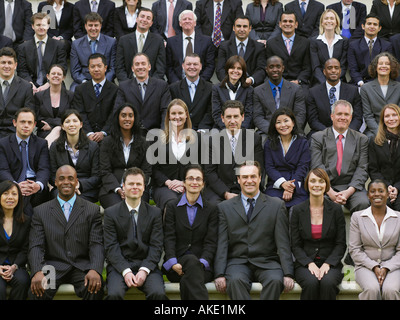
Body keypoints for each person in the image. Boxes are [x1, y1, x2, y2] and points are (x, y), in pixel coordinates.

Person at [214, 161, 294, 300]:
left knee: (275, 281)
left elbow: (283, 242)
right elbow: (222, 243)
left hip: (267, 262)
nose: (249, 181)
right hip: (237, 262)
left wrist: (288, 274)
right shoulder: (224, 207)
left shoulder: (276, 205)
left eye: (253, 176)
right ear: (238, 180)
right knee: (235, 281)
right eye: (244, 177)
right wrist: (219, 274)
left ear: (259, 178)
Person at [29, 165, 104, 300]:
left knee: (94, 287)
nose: (66, 182)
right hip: (53, 268)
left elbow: (96, 243)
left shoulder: (91, 210)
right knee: (38, 290)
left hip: (81, 266)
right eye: (61, 179)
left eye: (70, 178)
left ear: (76, 182)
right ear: (56, 182)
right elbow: (36, 245)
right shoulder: (41, 211)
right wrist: (37, 270)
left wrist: (95, 269)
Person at [103, 167, 168, 300]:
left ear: (144, 187)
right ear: (123, 186)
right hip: (119, 266)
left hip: (147, 265)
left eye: (138, 184)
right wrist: (125, 271)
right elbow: (111, 247)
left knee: (158, 294)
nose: (135, 187)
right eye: (131, 184)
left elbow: (156, 246)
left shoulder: (155, 213)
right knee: (114, 294)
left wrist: (144, 270)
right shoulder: (110, 213)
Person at [162, 164, 217, 300]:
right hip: (176, 267)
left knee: (191, 272)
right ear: (184, 182)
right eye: (190, 178)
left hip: (202, 268)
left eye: (198, 179)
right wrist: (173, 263)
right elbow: (169, 237)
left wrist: (202, 262)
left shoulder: (211, 209)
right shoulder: (172, 207)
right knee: (191, 269)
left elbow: (211, 241)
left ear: (203, 184)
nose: (194, 182)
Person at [290, 168, 346, 300]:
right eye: (313, 181)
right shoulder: (297, 210)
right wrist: (309, 263)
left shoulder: (336, 210)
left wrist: (328, 264)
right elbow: (295, 245)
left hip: (330, 263)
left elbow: (340, 244)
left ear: (326, 185)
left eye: (321, 181)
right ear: (307, 184)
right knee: (311, 282)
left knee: (328, 283)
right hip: (305, 263)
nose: (317, 185)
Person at [310, 99, 369, 214]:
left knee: (363, 202)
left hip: (352, 187)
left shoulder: (361, 139)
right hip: (325, 187)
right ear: (332, 116)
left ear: (351, 117)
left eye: (346, 114)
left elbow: (362, 168)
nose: (343, 117)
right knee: (319, 203)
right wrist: (329, 191)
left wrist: (349, 192)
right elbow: (317, 167)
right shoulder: (318, 138)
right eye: (339, 114)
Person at [203, 100, 264, 206]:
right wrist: (225, 193)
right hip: (220, 191)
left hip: (248, 187)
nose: (232, 121)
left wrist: (245, 192)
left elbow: (258, 168)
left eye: (236, 116)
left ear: (243, 117)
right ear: (222, 118)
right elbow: (210, 172)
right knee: (215, 207)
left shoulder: (254, 139)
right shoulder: (213, 141)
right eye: (228, 117)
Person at [349, 179, 400, 300]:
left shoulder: (398, 217)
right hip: (365, 266)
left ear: (387, 194)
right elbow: (354, 249)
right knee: (372, 289)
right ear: (368, 195)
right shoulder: (357, 217)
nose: (377, 194)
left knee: (391, 290)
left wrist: (387, 267)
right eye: (373, 191)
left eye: (381, 191)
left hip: (393, 266)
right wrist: (374, 267)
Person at [150, 99, 201, 212]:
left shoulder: (198, 139)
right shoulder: (157, 139)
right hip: (164, 186)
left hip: (191, 185)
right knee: (172, 203)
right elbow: (153, 168)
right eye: (173, 113)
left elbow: (202, 167)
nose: (177, 117)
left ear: (186, 115)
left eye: (180, 113)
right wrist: (168, 182)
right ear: (168, 116)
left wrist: (184, 182)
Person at [99, 103, 151, 209]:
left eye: (130, 116)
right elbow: (105, 171)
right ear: (117, 118)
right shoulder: (107, 142)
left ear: (135, 118)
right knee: (118, 210)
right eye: (123, 115)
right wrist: (118, 189)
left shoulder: (144, 143)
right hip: (112, 189)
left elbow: (147, 171)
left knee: (138, 209)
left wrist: (133, 187)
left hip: (137, 189)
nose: (127, 119)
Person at [0, 108, 50, 217]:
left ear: (34, 125)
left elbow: (44, 168)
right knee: (23, 199)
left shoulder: (41, 144)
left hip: (34, 184)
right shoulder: (3, 144)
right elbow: (3, 169)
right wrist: (15, 186)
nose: (26, 125)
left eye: (29, 122)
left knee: (31, 197)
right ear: (14, 123)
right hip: (13, 182)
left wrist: (38, 185)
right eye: (22, 122)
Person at [49, 109, 100, 203]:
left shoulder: (93, 146)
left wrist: (78, 184)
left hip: (85, 190)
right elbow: (52, 176)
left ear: (81, 125)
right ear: (63, 127)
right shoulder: (54, 147)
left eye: (75, 121)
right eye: (67, 121)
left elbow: (96, 177)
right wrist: (68, 185)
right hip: (62, 188)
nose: (71, 124)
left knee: (79, 202)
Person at [263, 108, 310, 208]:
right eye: (278, 122)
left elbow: (303, 167)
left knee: (298, 207)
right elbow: (269, 167)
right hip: (275, 184)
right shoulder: (269, 143)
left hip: (296, 185)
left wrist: (290, 188)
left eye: (286, 121)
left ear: (293, 123)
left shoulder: (303, 142)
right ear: (274, 126)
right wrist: (283, 183)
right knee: (273, 206)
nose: (283, 125)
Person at [114, 53, 171, 135]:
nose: (140, 67)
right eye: (137, 64)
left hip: (156, 135)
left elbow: (166, 111)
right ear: (132, 68)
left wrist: (163, 133)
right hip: (132, 135)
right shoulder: (124, 87)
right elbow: (118, 111)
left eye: (143, 64)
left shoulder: (162, 86)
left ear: (149, 67)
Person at [253, 55, 306, 141]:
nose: (275, 70)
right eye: (271, 67)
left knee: (301, 142)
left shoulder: (296, 89)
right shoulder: (258, 91)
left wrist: (288, 129)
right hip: (268, 132)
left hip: (291, 130)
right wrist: (273, 130)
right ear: (266, 69)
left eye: (278, 66)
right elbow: (258, 117)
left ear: (283, 68)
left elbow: (300, 114)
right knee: (261, 142)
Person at [306, 58, 363, 137]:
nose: (333, 71)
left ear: (340, 71)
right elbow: (313, 120)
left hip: (348, 132)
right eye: (329, 68)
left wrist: (345, 133)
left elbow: (358, 118)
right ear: (324, 72)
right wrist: (330, 133)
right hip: (323, 132)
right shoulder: (313, 92)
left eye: (336, 68)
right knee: (311, 140)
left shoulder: (353, 91)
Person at [72, 53, 119, 143]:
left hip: (108, 136)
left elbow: (114, 113)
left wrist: (103, 132)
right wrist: (89, 133)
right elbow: (80, 112)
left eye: (99, 66)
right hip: (85, 135)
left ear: (105, 68)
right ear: (88, 69)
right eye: (92, 66)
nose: (96, 69)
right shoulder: (80, 89)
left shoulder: (115, 89)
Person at [17, 12, 67, 94]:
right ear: (33, 26)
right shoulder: (23, 47)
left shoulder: (59, 45)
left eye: (43, 25)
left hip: (53, 82)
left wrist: (48, 84)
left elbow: (62, 67)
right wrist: (30, 85)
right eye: (38, 25)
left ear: (48, 26)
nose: (41, 27)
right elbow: (22, 70)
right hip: (30, 84)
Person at [116, 7, 166, 82]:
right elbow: (119, 67)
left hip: (152, 85)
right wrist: (126, 84)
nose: (144, 20)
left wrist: (151, 84)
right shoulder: (123, 40)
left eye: (148, 18)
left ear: (151, 23)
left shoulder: (158, 41)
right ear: (136, 19)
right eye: (142, 16)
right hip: (128, 84)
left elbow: (160, 68)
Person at [69, 12, 116, 91]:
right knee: (74, 91)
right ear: (85, 26)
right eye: (90, 25)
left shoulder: (111, 42)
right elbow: (75, 71)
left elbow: (113, 68)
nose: (93, 28)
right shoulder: (76, 44)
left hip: (105, 80)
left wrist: (103, 82)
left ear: (100, 26)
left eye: (96, 25)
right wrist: (85, 82)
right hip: (83, 81)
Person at [265, 11, 312, 91]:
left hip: (299, 84)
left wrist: (298, 81)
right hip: (277, 82)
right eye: (285, 21)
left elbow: (307, 67)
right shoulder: (271, 43)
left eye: (291, 21)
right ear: (280, 24)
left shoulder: (305, 42)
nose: (287, 24)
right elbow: (269, 67)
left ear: (296, 24)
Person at [166, 10, 215, 84]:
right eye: (184, 19)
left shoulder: (206, 41)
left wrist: (199, 83)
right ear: (180, 23)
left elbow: (210, 65)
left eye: (190, 19)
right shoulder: (171, 42)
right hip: (177, 84)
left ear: (195, 23)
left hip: (201, 84)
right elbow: (168, 66)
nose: (187, 21)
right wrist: (177, 84)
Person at [216, 15, 267, 87]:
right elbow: (220, 69)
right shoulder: (224, 46)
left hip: (252, 87)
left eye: (245, 26)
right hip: (229, 86)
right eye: (239, 26)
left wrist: (251, 80)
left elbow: (261, 70)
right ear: (233, 28)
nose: (242, 29)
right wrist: (229, 81)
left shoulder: (259, 47)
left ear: (250, 28)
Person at [0, 181, 30, 300]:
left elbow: (25, 249)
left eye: (14, 194)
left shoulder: (26, 221)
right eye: (5, 193)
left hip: (17, 266)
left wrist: (14, 267)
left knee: (22, 282)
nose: (10, 197)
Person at [169, 53, 213, 131]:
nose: (192, 67)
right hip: (180, 131)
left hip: (203, 133)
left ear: (200, 66)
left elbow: (210, 112)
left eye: (195, 64)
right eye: (188, 64)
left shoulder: (210, 88)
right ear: (183, 66)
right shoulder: (173, 88)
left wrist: (202, 130)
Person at [360, 52, 400, 139]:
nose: (384, 66)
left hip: (397, 127)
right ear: (375, 67)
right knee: (370, 139)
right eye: (380, 63)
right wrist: (380, 133)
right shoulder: (366, 88)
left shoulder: (399, 87)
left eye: (387, 64)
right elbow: (368, 116)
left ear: (392, 68)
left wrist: (393, 131)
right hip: (375, 129)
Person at [368, 104, 400, 211]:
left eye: (394, 115)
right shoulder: (374, 141)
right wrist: (387, 187)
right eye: (387, 116)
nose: (391, 119)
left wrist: (397, 188)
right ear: (383, 120)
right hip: (382, 188)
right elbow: (373, 170)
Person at [347, 14, 393, 87]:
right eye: (369, 24)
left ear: (379, 28)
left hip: (380, 83)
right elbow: (353, 69)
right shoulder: (353, 45)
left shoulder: (386, 45)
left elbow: (388, 68)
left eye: (375, 24)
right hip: (359, 83)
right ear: (363, 26)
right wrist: (361, 83)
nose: (372, 26)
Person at [0, 47, 34, 138]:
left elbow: (28, 114)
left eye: (10, 63)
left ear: (15, 65)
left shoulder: (26, 87)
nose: (6, 66)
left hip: (16, 133)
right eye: (3, 62)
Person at [34, 64, 74, 143]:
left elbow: (72, 116)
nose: (56, 76)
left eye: (59, 74)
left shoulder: (70, 95)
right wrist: (57, 123)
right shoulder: (39, 95)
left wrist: (53, 125)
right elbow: (36, 117)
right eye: (53, 73)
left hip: (65, 132)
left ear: (63, 77)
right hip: (44, 132)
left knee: (58, 131)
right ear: (48, 76)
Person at [212, 55, 253, 130]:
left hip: (242, 129)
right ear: (227, 69)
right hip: (221, 128)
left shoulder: (248, 90)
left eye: (239, 68)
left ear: (243, 71)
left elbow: (248, 114)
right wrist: (227, 129)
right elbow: (216, 113)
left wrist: (239, 130)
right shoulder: (217, 88)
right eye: (232, 68)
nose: (235, 71)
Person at [309, 9, 349, 86]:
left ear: (336, 22)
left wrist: (335, 82)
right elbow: (315, 67)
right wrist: (326, 84)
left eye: (332, 18)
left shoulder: (344, 41)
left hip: (340, 82)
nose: (329, 21)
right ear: (322, 23)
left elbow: (343, 66)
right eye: (326, 18)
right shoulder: (314, 41)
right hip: (319, 82)